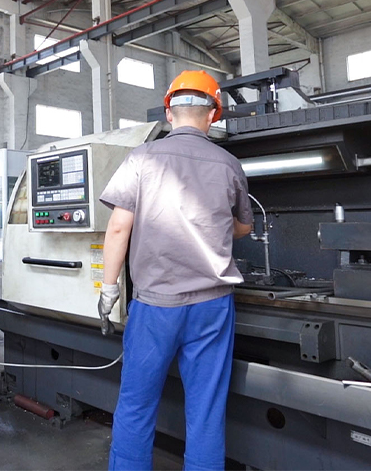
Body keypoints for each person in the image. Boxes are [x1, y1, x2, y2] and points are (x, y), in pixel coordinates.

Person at [97, 70, 253, 471]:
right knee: (206, 409)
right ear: (213, 115)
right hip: (212, 307)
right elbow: (243, 227)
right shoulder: (229, 163)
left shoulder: (142, 157)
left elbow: (118, 228)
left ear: (169, 113)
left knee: (136, 404)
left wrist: (109, 289)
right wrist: (211, 224)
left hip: (155, 305)